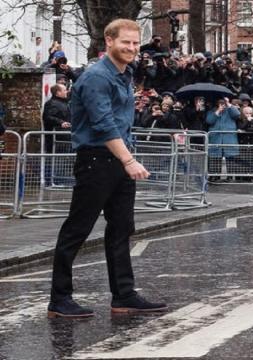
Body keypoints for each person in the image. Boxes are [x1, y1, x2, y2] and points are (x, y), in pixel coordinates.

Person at [47, 19, 167, 318]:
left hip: (118, 160)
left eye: (136, 43)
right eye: (126, 42)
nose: (132, 48)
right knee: (77, 229)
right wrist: (129, 160)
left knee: (122, 228)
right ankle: (59, 299)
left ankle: (123, 295)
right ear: (109, 41)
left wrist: (126, 159)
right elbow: (103, 125)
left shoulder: (123, 74)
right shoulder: (97, 77)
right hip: (97, 160)